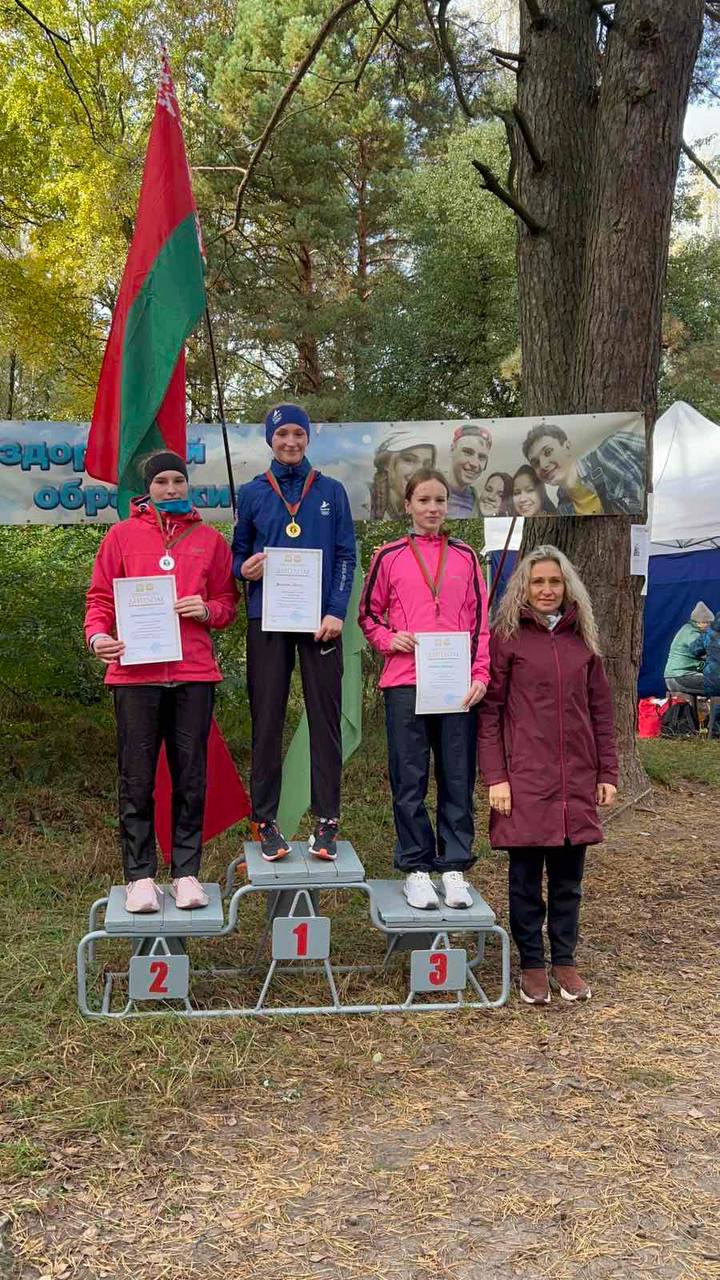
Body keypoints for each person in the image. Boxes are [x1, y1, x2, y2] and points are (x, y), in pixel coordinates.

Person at [84, 450, 238, 913]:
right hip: (135, 675)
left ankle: (186, 873)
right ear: (147, 489)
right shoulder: (121, 536)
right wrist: (98, 637)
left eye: (178, 481)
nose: (171, 488)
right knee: (137, 778)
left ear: (187, 485)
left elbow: (227, 603)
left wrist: (206, 609)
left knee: (191, 777)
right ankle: (140, 877)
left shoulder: (210, 540)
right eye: (161, 482)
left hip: (193, 674)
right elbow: (100, 598)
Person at [477, 546, 618, 1005]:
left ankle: (565, 962)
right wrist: (496, 777)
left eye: (554, 582)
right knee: (524, 881)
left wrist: (607, 771)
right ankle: (532, 965)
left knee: (567, 882)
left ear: (566, 586)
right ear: (524, 586)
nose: (546, 589)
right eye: (537, 581)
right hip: (524, 779)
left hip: (575, 780)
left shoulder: (583, 642)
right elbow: (490, 714)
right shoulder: (508, 639)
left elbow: (601, 712)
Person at [359, 468, 490, 910]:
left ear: (448, 506)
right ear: (408, 505)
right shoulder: (389, 555)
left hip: (455, 685)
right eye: (424, 500)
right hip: (405, 681)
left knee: (457, 775)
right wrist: (387, 639)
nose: (433, 508)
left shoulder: (466, 557)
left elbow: (481, 623)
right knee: (409, 776)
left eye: (440, 501)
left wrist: (480, 675)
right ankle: (416, 866)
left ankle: (453, 866)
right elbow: (368, 615)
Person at [232, 403, 356, 863]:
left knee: (325, 720)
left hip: (321, 624)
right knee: (266, 720)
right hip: (267, 619)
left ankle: (327, 823)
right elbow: (237, 555)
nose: (290, 441)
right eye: (282, 434)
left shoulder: (330, 491)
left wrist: (336, 610)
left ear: (307, 438)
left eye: (297, 434)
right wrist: (243, 569)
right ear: (270, 439)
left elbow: (345, 555)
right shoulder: (252, 492)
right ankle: (265, 821)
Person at [522, 422, 645, 516]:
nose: (543, 465)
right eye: (536, 463)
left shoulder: (613, 448)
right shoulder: (563, 509)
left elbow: (653, 452)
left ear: (567, 447)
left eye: (548, 451)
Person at [369, 431, 437, 519]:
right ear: (386, 463)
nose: (419, 471)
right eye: (409, 460)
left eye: (427, 464)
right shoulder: (365, 497)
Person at [664, 601, 713, 696]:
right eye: (708, 623)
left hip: (679, 677)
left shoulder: (692, 631)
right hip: (680, 677)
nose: (710, 626)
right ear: (700, 622)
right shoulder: (691, 633)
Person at [446, 424, 493, 518]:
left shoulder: (477, 502)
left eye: (482, 457)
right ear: (452, 450)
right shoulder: (427, 488)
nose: (474, 464)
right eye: (467, 452)